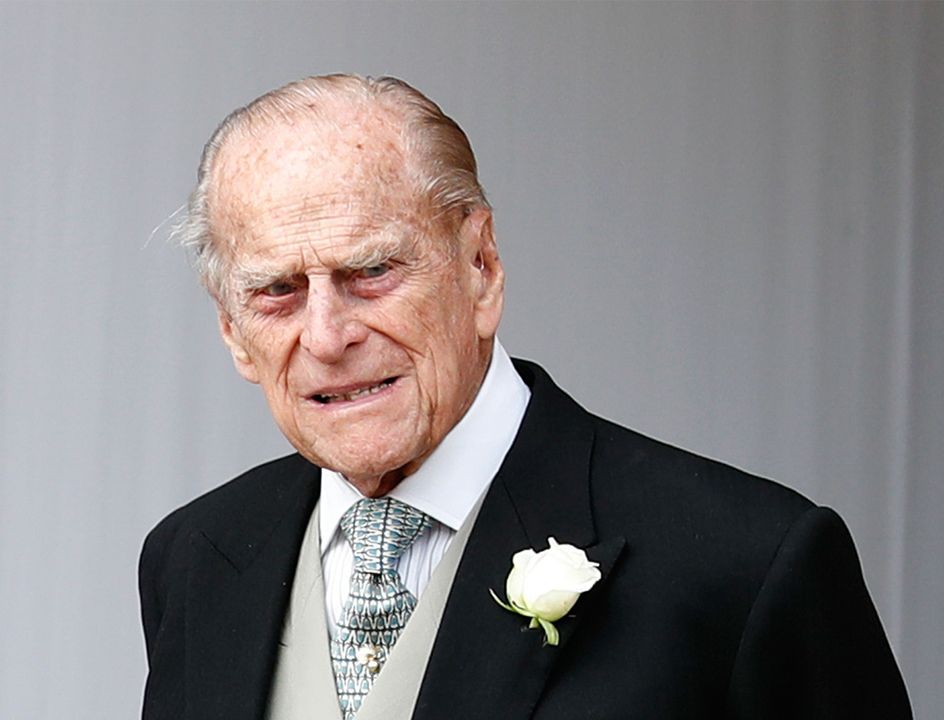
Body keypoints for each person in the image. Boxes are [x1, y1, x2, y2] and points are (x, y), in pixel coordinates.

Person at [138, 74, 910, 719]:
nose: (328, 335)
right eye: (276, 291)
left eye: (370, 272)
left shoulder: (749, 564)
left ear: (480, 267)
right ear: (233, 331)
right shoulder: (194, 560)